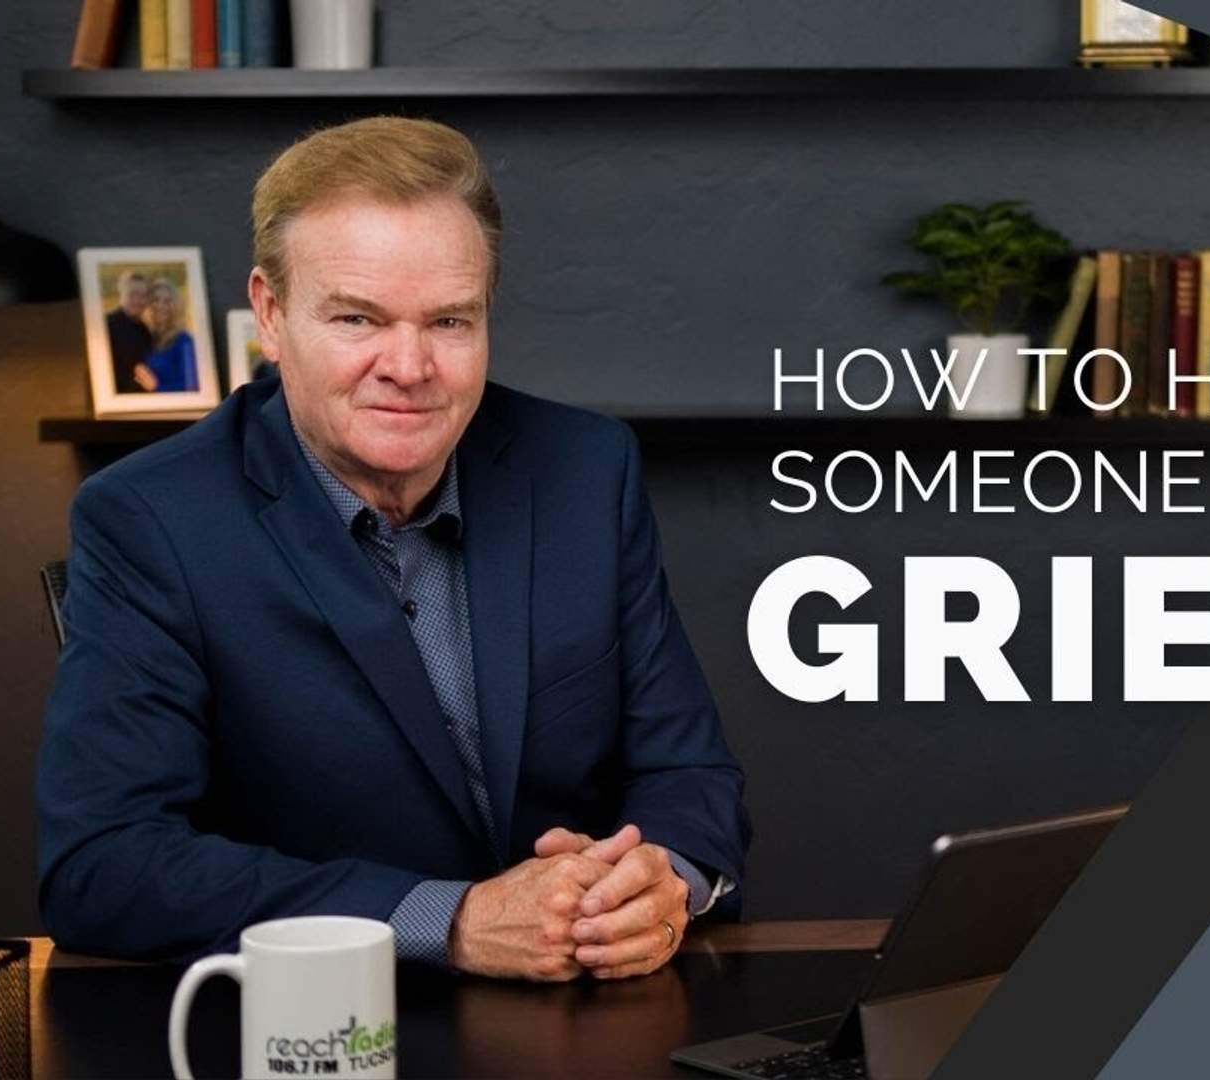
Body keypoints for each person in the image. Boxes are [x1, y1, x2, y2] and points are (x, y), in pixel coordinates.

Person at [36, 116, 750, 982]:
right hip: (305, 1038)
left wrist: (664, 879)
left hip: (588, 1021)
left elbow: (691, 774)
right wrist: (446, 921)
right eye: (357, 318)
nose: (409, 366)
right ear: (271, 312)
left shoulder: (587, 469)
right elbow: (103, 866)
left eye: (449, 321)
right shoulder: (149, 519)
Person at [141, 277, 200, 392]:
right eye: (155, 300)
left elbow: (190, 387)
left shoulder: (184, 341)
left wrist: (156, 387)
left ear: (175, 306)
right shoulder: (143, 338)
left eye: (167, 301)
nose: (160, 306)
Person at [104, 270, 157, 393]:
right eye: (132, 294)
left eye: (143, 296)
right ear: (121, 294)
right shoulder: (106, 326)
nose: (137, 301)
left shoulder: (145, 331)